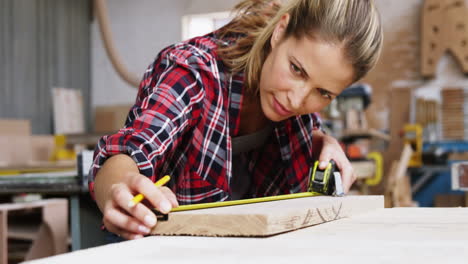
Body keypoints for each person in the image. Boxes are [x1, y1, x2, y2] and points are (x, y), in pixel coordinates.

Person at [90, 0, 383, 240]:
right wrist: (118, 189)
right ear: (280, 31)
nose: (297, 100)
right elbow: (126, 152)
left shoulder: (296, 109)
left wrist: (323, 142)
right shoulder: (192, 72)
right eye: (297, 70)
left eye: (323, 92)